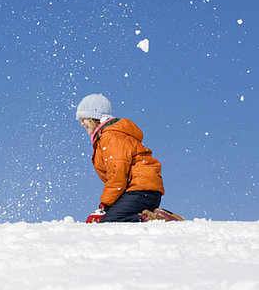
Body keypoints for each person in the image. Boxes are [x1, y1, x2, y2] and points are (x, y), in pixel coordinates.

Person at [76, 94, 183, 223]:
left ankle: (155, 220)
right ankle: (155, 216)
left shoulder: (111, 136)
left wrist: (104, 206)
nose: (82, 124)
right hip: (143, 192)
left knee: (109, 222)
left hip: (140, 191)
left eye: (83, 119)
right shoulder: (108, 135)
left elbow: (117, 174)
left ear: (94, 117)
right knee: (107, 220)